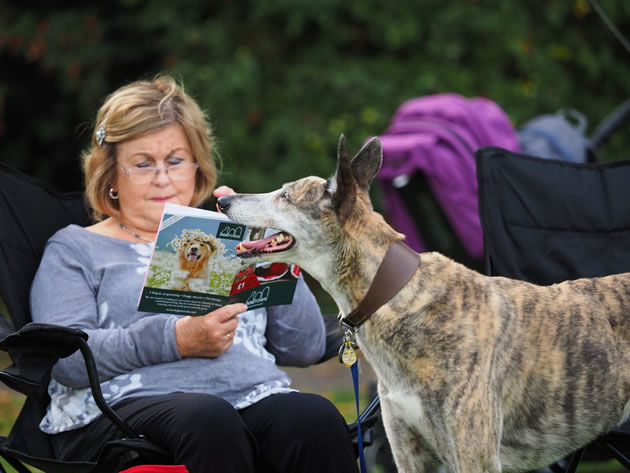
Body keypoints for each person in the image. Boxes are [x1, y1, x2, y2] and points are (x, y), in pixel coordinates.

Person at [29, 75, 358, 473]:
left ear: (197, 166)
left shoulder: (237, 236)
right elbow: (68, 361)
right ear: (110, 175)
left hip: (251, 396)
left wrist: (273, 247)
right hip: (123, 411)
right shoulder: (75, 248)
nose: (162, 177)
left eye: (175, 161)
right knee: (210, 420)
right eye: (143, 164)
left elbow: (303, 348)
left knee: (314, 418)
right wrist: (176, 340)